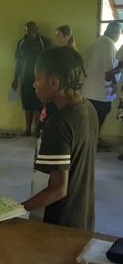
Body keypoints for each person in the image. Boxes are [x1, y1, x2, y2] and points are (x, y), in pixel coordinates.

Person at [23, 47, 98, 231]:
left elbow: (58, 189)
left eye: (37, 79)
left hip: (60, 222)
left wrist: (17, 208)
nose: (34, 85)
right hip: (82, 214)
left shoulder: (58, 123)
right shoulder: (88, 108)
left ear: (55, 83)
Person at [82, 21, 121, 152]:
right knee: (99, 115)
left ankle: (95, 139)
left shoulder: (99, 41)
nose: (119, 36)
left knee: (95, 116)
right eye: (119, 33)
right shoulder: (108, 43)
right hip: (99, 89)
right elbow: (108, 68)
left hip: (92, 88)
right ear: (115, 32)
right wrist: (116, 83)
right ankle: (93, 143)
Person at [11, 21, 50, 138]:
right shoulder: (21, 43)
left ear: (37, 29)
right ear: (25, 31)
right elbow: (18, 62)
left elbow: (48, 61)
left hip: (39, 79)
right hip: (25, 79)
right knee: (27, 105)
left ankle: (37, 130)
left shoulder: (43, 42)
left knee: (38, 105)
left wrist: (46, 78)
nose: (31, 33)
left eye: (33, 30)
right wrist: (15, 78)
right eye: (28, 30)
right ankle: (27, 129)